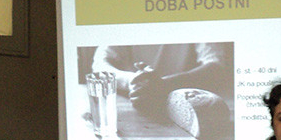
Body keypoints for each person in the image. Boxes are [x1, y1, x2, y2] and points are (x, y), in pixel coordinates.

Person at [91, 42, 231, 115]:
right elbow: (99, 65)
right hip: (135, 105)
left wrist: (164, 85)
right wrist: (132, 82)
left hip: (184, 108)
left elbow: (216, 67)